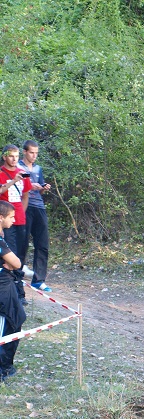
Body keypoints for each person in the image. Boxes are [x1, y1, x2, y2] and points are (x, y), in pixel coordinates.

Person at [19, 141, 52, 292]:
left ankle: (38, 280)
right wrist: (30, 186)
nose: (34, 156)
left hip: (39, 206)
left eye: (36, 153)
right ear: (25, 152)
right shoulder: (18, 166)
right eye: (31, 152)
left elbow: (39, 190)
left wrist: (44, 187)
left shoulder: (38, 168)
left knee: (42, 243)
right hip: (24, 206)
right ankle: (17, 276)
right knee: (22, 243)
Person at [0, 145, 31, 305]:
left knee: (21, 253)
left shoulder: (23, 173)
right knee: (10, 255)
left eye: (16, 156)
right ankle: (15, 292)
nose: (14, 159)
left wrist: (21, 213)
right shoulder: (1, 173)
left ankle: (20, 289)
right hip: (5, 221)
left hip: (19, 219)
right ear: (5, 157)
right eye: (11, 156)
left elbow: (25, 195)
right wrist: (13, 181)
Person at [0, 200, 26, 381]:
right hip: (2, 286)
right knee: (9, 323)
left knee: (16, 320)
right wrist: (12, 263)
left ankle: (6, 366)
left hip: (6, 283)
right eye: (11, 217)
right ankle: (3, 368)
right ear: (1, 218)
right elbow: (16, 263)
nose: (14, 219)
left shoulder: (2, 236)